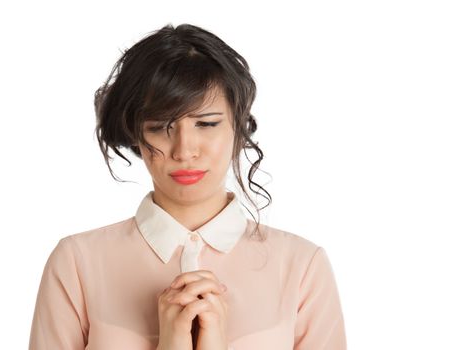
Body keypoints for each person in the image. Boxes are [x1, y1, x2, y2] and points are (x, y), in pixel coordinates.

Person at [28, 23, 347, 350]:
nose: (184, 150)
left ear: (238, 127)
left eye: (207, 123)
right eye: (160, 127)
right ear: (137, 134)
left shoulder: (302, 267)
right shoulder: (77, 263)